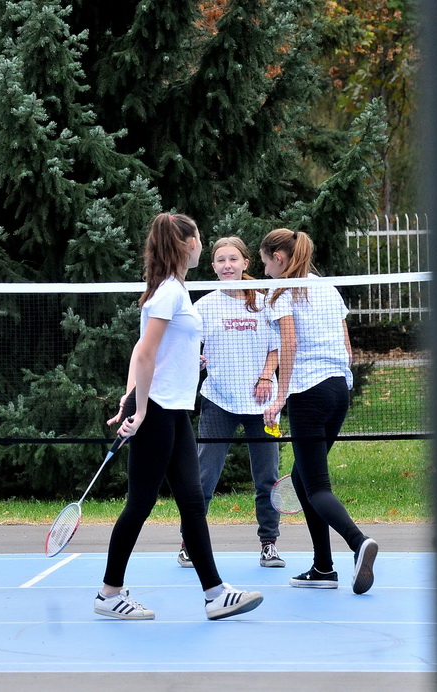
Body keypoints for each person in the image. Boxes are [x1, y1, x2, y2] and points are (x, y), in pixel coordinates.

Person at [94, 213, 264, 622]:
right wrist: (139, 406)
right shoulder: (169, 292)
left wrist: (136, 389)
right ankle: (108, 593)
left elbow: (152, 350)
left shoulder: (174, 291)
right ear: (189, 244)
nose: (203, 246)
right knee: (140, 502)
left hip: (173, 410)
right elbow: (145, 351)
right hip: (159, 411)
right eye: (201, 239)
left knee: (190, 499)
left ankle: (215, 593)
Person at [259, 228, 378, 594]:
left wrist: (280, 397)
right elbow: (346, 342)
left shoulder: (280, 294)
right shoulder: (326, 287)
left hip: (309, 393)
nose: (264, 271)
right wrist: (343, 381)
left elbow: (290, 342)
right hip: (338, 389)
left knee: (316, 485)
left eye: (265, 263)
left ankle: (359, 543)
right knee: (300, 479)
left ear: (279, 259)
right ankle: (323, 568)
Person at [177, 237, 284, 569]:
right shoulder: (204, 306)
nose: (227, 265)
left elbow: (277, 348)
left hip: (262, 404)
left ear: (245, 264)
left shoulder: (265, 303)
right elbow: (187, 347)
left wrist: (267, 377)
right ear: (213, 267)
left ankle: (269, 544)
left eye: (233, 259)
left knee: (267, 477)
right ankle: (188, 544)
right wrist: (193, 359)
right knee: (203, 478)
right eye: (220, 260)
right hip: (218, 401)